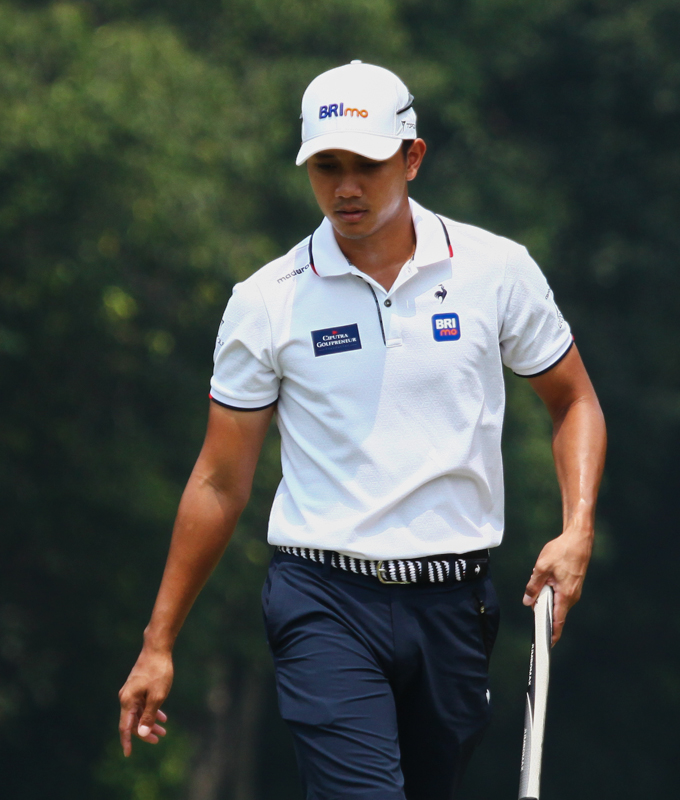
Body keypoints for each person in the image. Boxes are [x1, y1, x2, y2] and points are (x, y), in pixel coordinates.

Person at [117, 60, 607, 799]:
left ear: (412, 158)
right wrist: (159, 641)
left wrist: (577, 531)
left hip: (454, 602)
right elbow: (219, 481)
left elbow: (574, 403)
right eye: (327, 167)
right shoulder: (266, 300)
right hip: (323, 599)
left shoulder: (496, 270)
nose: (345, 187)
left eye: (366, 166)